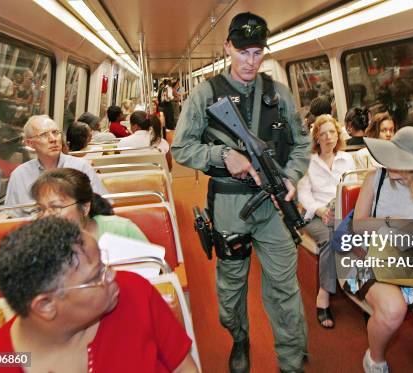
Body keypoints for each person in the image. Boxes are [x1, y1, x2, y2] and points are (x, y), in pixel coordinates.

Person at [172, 12, 309, 373]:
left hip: (275, 207)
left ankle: (292, 363)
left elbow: (300, 145)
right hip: (230, 205)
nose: (251, 60)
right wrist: (221, 155)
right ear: (228, 47)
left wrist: (293, 176)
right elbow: (181, 148)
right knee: (230, 293)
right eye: (244, 51)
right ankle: (239, 337)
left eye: (258, 52)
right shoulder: (206, 94)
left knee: (284, 289)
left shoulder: (279, 95)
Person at [0, 216, 197, 372]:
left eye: (104, 264)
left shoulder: (134, 292)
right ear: (46, 306)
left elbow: (183, 367)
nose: (111, 275)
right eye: (95, 276)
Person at [352, 127, 413, 373]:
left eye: (398, 160)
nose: (389, 164)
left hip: (411, 263)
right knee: (393, 309)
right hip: (369, 256)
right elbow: (358, 225)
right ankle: (375, 359)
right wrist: (390, 221)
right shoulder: (376, 178)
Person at [298, 114, 355, 329]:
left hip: (341, 211)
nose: (328, 137)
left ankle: (364, 290)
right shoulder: (309, 162)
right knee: (331, 238)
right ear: (317, 139)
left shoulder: (346, 159)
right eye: (323, 134)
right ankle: (324, 296)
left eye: (332, 132)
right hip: (315, 215)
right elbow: (304, 194)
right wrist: (320, 210)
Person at [4, 115, 107, 215]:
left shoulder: (81, 167)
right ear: (30, 143)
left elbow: (102, 208)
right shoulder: (19, 175)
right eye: (43, 135)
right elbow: (13, 218)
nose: (53, 139)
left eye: (55, 132)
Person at [30, 168, 146, 241]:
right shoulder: (38, 241)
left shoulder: (122, 230)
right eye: (40, 209)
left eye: (56, 207)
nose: (45, 216)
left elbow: (155, 273)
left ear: (85, 207)